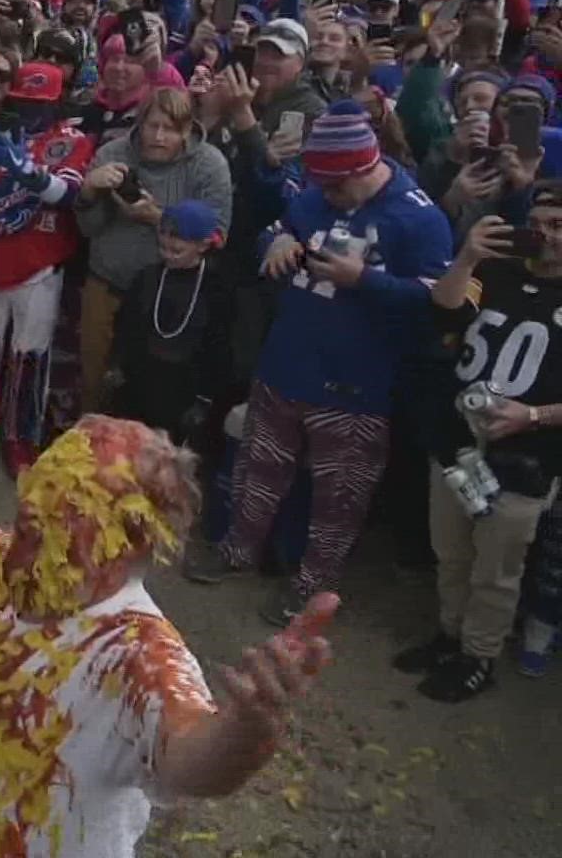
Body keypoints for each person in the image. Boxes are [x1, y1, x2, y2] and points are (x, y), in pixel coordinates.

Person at [0, 306, 338, 858]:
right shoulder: (10, 569)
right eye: (28, 517)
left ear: (127, 549)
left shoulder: (137, 657)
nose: (24, 542)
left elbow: (189, 758)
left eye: (59, 530)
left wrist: (245, 733)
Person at [186, 101, 454, 625]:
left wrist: (368, 281)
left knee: (339, 497)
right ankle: (237, 549)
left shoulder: (420, 219)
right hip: (285, 363)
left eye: (336, 187)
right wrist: (277, 238)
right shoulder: (315, 197)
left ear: (363, 167)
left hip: (356, 386)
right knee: (256, 468)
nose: (327, 197)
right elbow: (281, 223)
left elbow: (440, 301)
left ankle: (313, 585)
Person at [393, 188, 562, 701]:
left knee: (497, 570)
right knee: (451, 552)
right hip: (458, 440)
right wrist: (467, 254)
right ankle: (450, 635)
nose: (545, 235)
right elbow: (445, 310)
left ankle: (479, 656)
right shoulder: (496, 272)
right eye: (536, 222)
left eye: (557, 224)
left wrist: (532, 415)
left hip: (527, 457)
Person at [0, 63, 95, 478]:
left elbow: (67, 193)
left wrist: (24, 169)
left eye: (39, 104)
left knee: (29, 354)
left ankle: (19, 435)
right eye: (23, 102)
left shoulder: (72, 140)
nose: (29, 112)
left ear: (57, 103)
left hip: (41, 261)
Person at [76, 87, 233, 412]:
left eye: (171, 129)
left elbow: (218, 236)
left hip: (169, 297)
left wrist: (158, 218)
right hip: (108, 282)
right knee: (93, 381)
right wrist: (89, 193)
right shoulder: (112, 153)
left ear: (187, 130)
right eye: (153, 126)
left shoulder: (209, 163)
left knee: (151, 391)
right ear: (140, 123)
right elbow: (87, 229)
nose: (159, 136)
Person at [105, 199, 233, 445]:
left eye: (176, 251)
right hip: (140, 380)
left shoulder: (215, 290)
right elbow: (126, 326)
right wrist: (116, 364)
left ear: (203, 245)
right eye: (162, 248)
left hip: (182, 388)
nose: (167, 256)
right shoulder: (148, 277)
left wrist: (204, 400)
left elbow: (219, 347)